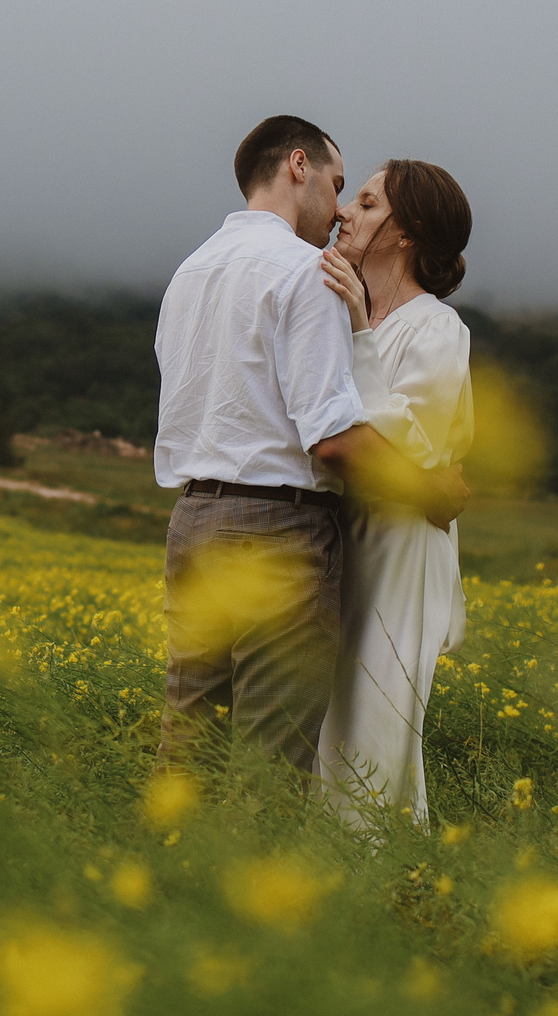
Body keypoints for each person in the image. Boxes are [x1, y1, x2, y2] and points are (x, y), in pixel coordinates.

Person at [153, 115, 470, 777]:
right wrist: (430, 490)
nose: (339, 208)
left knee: (189, 745)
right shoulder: (308, 271)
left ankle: (172, 869)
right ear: (299, 166)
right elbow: (330, 438)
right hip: (278, 530)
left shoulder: (188, 273)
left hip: (191, 521)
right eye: (339, 184)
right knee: (271, 760)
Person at [315, 160, 476, 829]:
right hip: (344, 544)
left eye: (367, 201)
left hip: (399, 557)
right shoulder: (357, 319)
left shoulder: (436, 329)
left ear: (405, 232)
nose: (343, 211)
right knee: (327, 728)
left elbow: (403, 449)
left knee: (373, 730)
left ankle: (382, 877)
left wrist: (355, 329)